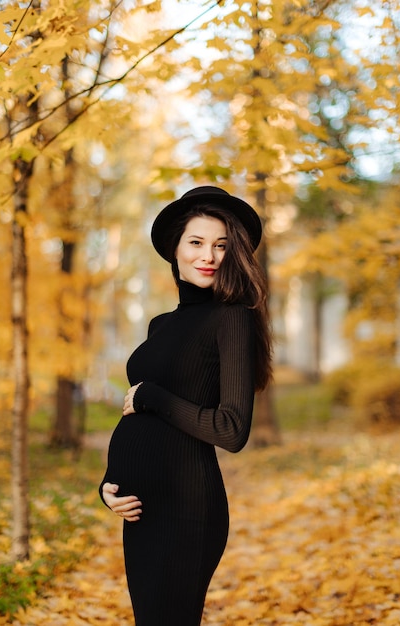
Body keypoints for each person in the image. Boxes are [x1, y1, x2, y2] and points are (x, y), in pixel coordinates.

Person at [99, 185, 272, 626]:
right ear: (175, 250)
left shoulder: (231, 317)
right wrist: (110, 484)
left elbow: (231, 430)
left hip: (187, 508)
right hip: (142, 510)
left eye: (221, 245)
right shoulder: (163, 324)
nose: (208, 255)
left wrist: (153, 396)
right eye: (196, 242)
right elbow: (138, 424)